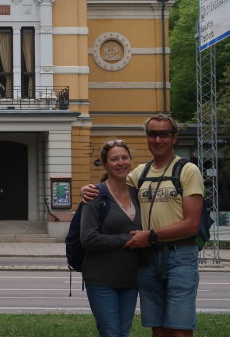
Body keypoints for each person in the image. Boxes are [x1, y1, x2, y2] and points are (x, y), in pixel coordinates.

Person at [82, 113, 204, 337]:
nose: (158, 140)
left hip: (180, 255)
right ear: (147, 137)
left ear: (174, 137)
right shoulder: (139, 174)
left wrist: (151, 236)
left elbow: (192, 225)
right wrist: (89, 189)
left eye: (164, 134)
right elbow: (112, 185)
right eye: (152, 134)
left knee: (180, 328)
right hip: (148, 259)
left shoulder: (187, 170)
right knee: (157, 327)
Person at [81, 139, 141, 337]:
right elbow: (88, 238)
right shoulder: (95, 195)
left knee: (123, 333)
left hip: (130, 280)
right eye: (114, 159)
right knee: (111, 333)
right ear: (105, 164)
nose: (121, 162)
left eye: (125, 157)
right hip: (101, 280)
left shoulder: (137, 194)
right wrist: (127, 239)